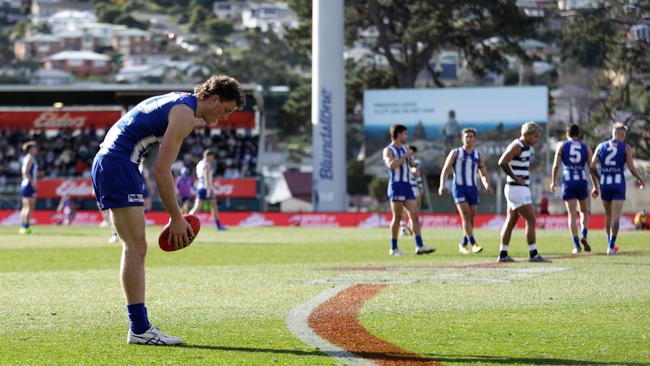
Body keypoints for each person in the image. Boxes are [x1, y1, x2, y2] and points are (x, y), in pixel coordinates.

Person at [91, 74, 243, 345]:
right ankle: (139, 329)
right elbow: (161, 170)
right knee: (135, 248)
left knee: (135, 248)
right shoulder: (185, 114)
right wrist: (176, 218)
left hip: (113, 161)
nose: (225, 117)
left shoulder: (179, 101)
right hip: (118, 163)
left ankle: (139, 327)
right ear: (215, 99)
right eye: (226, 110)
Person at [497, 122, 550, 263]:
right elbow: (502, 161)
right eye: (535, 136)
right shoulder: (517, 146)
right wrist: (516, 178)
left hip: (516, 188)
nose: (536, 139)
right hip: (517, 188)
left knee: (511, 221)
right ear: (526, 134)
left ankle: (503, 254)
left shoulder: (526, 147)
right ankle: (533, 254)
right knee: (531, 219)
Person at [590, 122, 645, 255]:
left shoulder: (601, 146)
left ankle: (608, 244)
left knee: (608, 216)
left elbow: (592, 166)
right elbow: (631, 168)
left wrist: (597, 182)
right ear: (622, 134)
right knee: (616, 216)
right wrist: (639, 179)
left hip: (605, 184)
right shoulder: (626, 148)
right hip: (618, 184)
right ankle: (611, 246)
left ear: (613, 133)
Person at [383, 124, 435, 256]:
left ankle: (419, 246)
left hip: (407, 186)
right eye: (405, 134)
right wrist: (404, 156)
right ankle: (393, 248)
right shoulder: (389, 150)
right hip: (396, 185)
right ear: (399, 134)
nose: (406, 136)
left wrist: (415, 171)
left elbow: (411, 165)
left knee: (415, 215)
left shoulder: (405, 149)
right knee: (397, 217)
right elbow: (391, 165)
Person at [438, 128, 492, 254]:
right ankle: (474, 244)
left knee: (472, 217)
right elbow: (445, 170)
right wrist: (442, 186)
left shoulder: (478, 155)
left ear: (475, 139)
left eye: (471, 136)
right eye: (466, 136)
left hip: (472, 189)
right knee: (466, 215)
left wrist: (486, 185)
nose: (469, 138)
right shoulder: (455, 153)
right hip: (459, 188)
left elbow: (483, 172)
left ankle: (463, 244)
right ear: (462, 139)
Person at [550, 124, 598, 254]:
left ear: (567, 134)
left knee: (571, 213)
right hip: (582, 182)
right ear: (579, 134)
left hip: (568, 181)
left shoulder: (562, 145)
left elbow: (556, 165)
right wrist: (595, 186)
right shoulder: (586, 147)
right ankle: (584, 235)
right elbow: (592, 168)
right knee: (584, 212)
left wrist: (553, 182)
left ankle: (576, 245)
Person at [189, 150, 227, 231]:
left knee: (197, 207)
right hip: (206, 188)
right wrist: (209, 188)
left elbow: (200, 176)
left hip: (200, 187)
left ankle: (187, 221)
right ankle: (218, 225)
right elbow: (206, 176)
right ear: (208, 156)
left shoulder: (200, 163)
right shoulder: (207, 164)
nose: (212, 159)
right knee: (214, 206)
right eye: (212, 157)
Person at [400, 145, 423, 236]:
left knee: (409, 208)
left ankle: (406, 227)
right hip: (409, 186)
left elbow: (416, 172)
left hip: (408, 186)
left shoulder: (412, 161)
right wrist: (420, 187)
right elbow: (417, 174)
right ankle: (406, 227)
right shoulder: (403, 159)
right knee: (411, 208)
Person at [19, 141, 38, 234]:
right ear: (30, 149)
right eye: (34, 148)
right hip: (28, 184)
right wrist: (32, 183)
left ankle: (23, 226)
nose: (36, 149)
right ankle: (26, 227)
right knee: (29, 207)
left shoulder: (27, 158)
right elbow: (25, 171)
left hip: (25, 184)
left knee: (25, 207)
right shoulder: (30, 158)